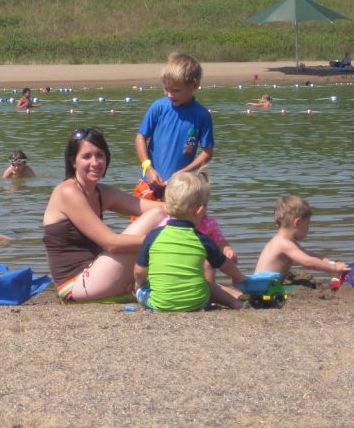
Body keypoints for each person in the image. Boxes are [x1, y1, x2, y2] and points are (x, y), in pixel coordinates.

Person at [42, 127, 166, 302]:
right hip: (75, 285)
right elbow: (111, 243)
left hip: (98, 273)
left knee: (159, 213)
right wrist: (163, 240)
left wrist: (187, 201)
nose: (95, 162)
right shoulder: (68, 191)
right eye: (86, 156)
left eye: (99, 155)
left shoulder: (102, 193)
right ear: (73, 162)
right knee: (156, 223)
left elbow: (160, 209)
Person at [133, 171, 246, 311]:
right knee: (207, 284)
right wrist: (239, 277)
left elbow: (139, 271)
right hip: (198, 302)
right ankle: (235, 303)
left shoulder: (153, 236)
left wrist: (141, 284)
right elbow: (225, 265)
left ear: (166, 207)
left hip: (160, 304)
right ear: (199, 211)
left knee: (142, 290)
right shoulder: (202, 239)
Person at [134, 53, 213, 202]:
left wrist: (182, 174)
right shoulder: (159, 107)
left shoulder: (202, 115)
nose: (169, 95)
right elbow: (140, 138)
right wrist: (148, 168)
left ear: (195, 85)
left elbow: (207, 152)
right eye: (166, 89)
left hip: (179, 188)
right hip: (149, 182)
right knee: (142, 224)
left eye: (176, 90)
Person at [254, 195, 350, 277]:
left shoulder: (285, 241)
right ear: (298, 222)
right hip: (262, 288)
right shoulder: (283, 244)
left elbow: (309, 255)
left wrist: (331, 263)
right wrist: (334, 268)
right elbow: (307, 262)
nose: (309, 228)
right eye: (307, 224)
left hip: (266, 286)